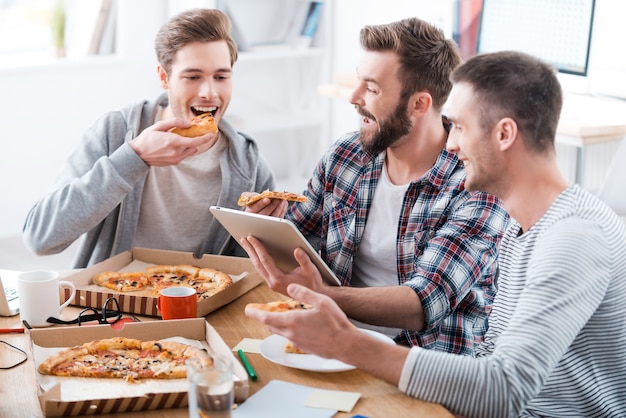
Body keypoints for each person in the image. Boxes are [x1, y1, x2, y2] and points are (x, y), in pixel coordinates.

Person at [245, 51, 626, 417]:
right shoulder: (522, 223)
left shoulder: (574, 237)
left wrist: (347, 344)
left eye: (459, 126)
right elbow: (490, 359)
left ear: (504, 134)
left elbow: (504, 391)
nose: (452, 142)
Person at [244, 17, 509, 354]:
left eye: (371, 88)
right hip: (329, 345)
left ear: (419, 104)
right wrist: (267, 224)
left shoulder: (477, 184)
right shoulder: (346, 155)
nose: (354, 98)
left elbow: (423, 302)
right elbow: (297, 238)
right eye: (359, 82)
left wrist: (322, 295)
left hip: (424, 366)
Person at [22, 9, 275, 268]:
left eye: (221, 77)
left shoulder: (248, 163)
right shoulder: (115, 132)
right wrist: (132, 158)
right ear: (164, 77)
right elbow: (40, 238)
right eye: (193, 77)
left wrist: (261, 235)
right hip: (113, 300)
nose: (209, 92)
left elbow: (253, 272)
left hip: (200, 302)